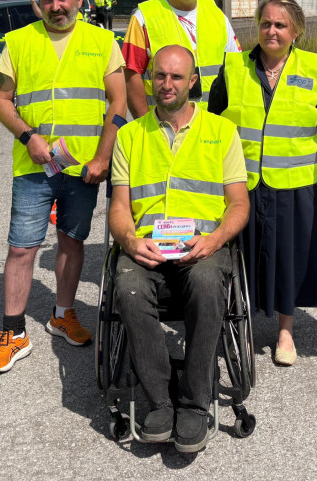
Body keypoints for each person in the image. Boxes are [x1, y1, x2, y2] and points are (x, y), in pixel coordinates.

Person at [0, 0, 126, 373]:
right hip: (33, 166)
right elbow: (2, 101)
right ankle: (13, 333)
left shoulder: (102, 41)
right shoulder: (19, 41)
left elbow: (118, 102)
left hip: (83, 169)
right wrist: (28, 136)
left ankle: (62, 315)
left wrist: (102, 158)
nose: (56, 6)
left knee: (71, 242)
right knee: (21, 248)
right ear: (38, 1)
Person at [109, 45, 249, 452]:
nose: (166, 84)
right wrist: (131, 240)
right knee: (129, 289)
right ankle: (158, 401)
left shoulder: (221, 132)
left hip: (203, 245)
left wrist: (215, 239)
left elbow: (239, 204)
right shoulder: (131, 135)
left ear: (192, 82)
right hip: (147, 244)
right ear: (150, 79)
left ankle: (193, 401)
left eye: (175, 77)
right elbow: (119, 208)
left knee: (207, 286)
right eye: (159, 76)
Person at [209, 0, 317, 367]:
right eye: (266, 23)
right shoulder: (234, 67)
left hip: (292, 183)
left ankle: (286, 332)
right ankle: (240, 324)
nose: (271, 30)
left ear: (295, 30)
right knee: (240, 258)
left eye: (280, 24)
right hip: (242, 183)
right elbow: (215, 117)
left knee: (288, 258)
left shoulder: (313, 68)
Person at [122, 0, 240, 118]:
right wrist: (147, 127)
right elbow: (131, 79)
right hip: (164, 128)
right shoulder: (144, 17)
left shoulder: (216, 15)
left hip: (210, 129)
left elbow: (236, 69)